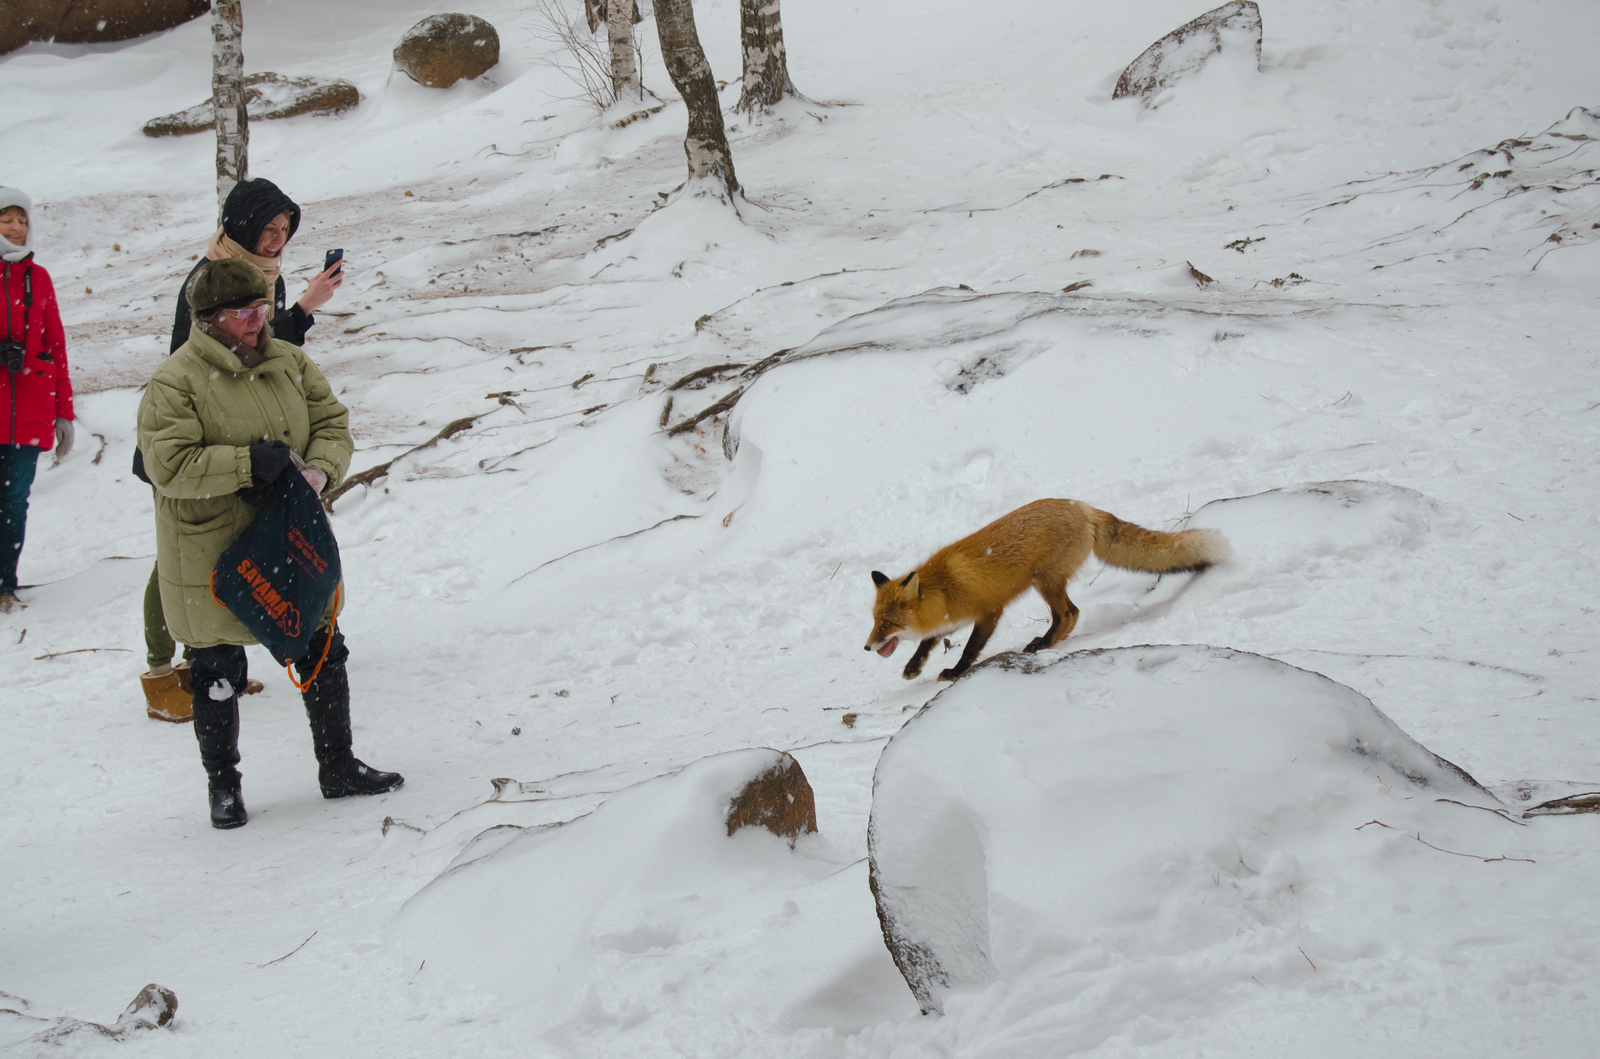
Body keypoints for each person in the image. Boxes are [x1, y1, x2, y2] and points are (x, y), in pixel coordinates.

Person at [137, 258, 400, 829]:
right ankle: (223, 789)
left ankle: (338, 766)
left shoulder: (289, 361)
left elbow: (333, 423)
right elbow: (168, 466)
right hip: (212, 553)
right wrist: (243, 465)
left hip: (288, 540)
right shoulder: (174, 383)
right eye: (242, 312)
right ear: (207, 320)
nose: (257, 320)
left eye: (260, 307)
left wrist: (320, 474)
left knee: (323, 646)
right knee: (216, 671)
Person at [141, 177, 343, 708]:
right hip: (197, 439)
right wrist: (299, 310)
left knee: (214, 556)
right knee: (177, 564)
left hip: (244, 445)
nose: (276, 240)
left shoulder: (259, 275)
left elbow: (264, 346)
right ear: (240, 226)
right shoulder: (213, 280)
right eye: (267, 228)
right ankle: (165, 672)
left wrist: (298, 310)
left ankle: (208, 654)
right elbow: (200, 359)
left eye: (284, 230)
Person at [0, 187, 74, 614]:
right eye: (7, 219)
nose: (15, 227)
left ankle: (5, 583)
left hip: (30, 411)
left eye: (21, 219)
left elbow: (57, 347)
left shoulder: (39, 277)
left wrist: (63, 413)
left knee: (14, 501)